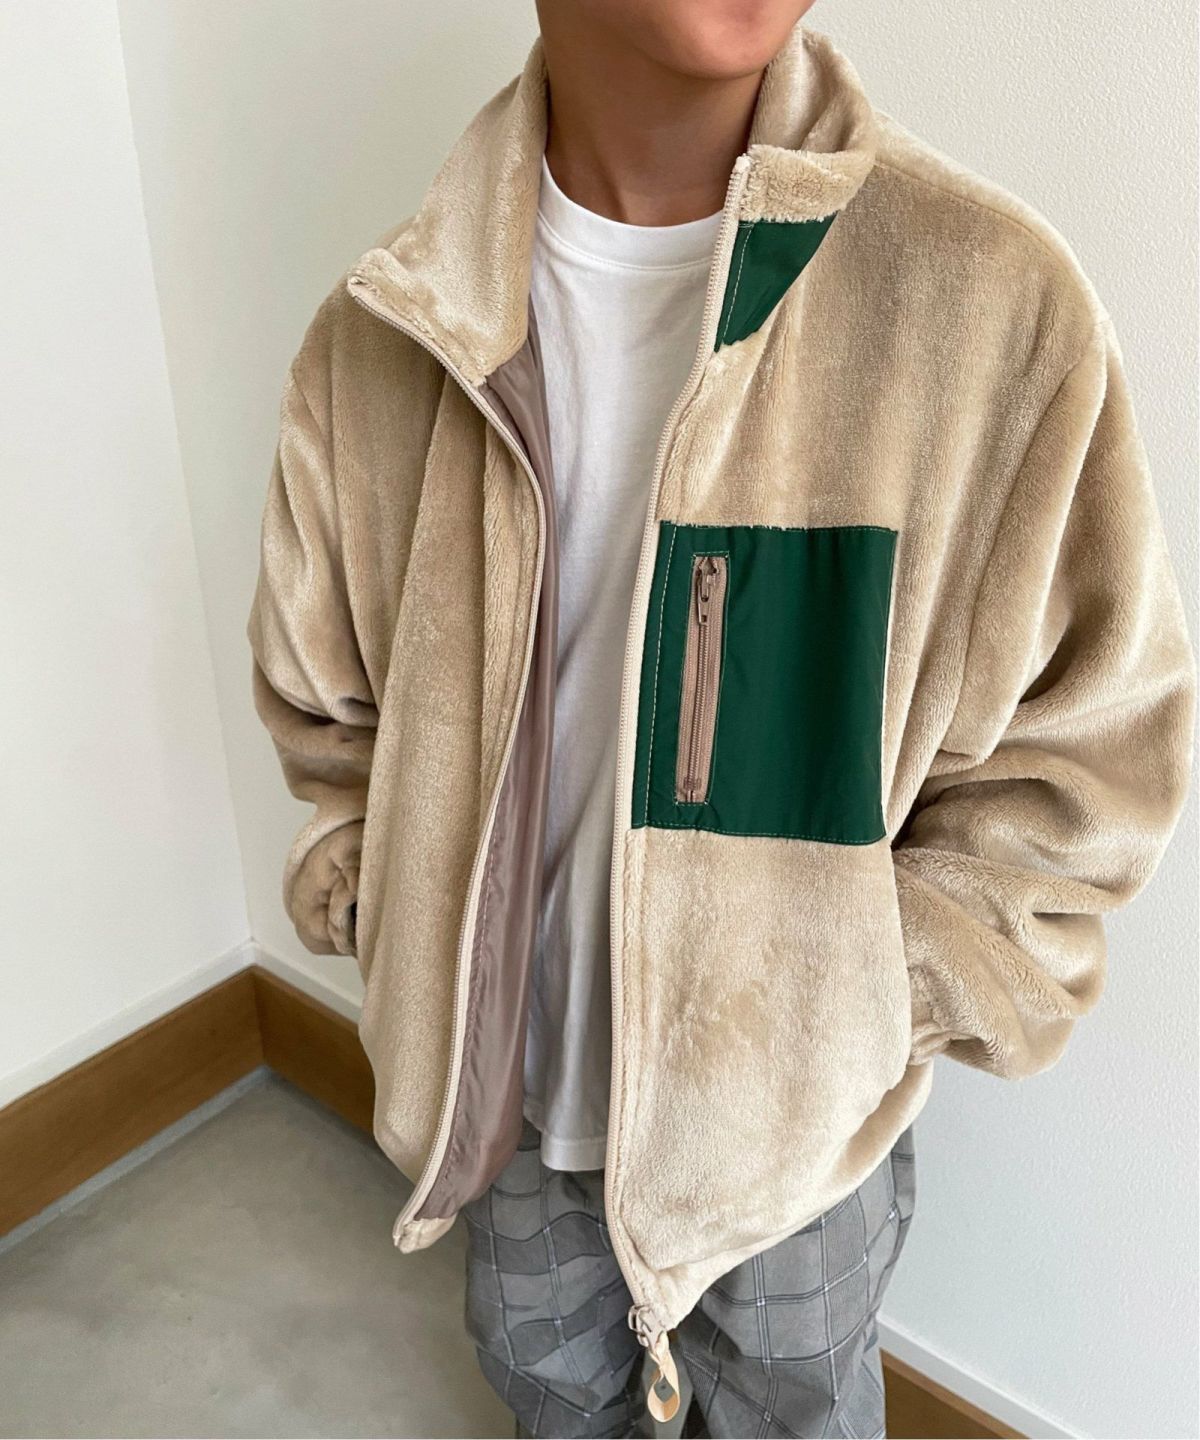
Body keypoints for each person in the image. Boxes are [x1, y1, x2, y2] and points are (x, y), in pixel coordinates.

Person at [247, 2, 1194, 1435]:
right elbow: (334, 713)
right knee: (547, 1386)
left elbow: (1086, 758)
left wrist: (865, 1004)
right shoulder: (386, 333)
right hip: (505, 1103)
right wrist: (404, 923)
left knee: (794, 1406)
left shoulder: (986, 308)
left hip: (794, 1148)